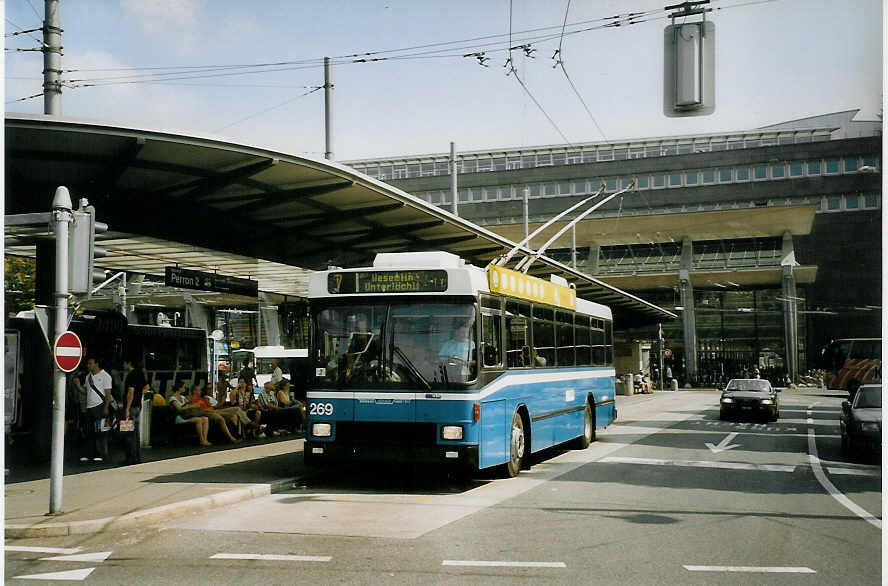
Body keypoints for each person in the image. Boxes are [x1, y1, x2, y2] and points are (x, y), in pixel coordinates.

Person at [72, 356, 113, 463]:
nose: (88, 365)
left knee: (101, 432)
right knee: (89, 432)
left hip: (100, 406)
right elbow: (85, 391)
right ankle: (90, 454)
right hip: (89, 408)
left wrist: (106, 407)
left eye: (90, 363)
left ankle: (102, 454)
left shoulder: (105, 376)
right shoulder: (88, 377)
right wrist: (77, 385)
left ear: (96, 364)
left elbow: (108, 394)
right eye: (88, 364)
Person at [120, 358, 149, 465]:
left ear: (129, 363)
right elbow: (147, 387)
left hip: (130, 407)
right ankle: (137, 457)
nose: (123, 365)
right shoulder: (140, 373)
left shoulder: (131, 375)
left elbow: (130, 392)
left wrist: (127, 408)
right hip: (138, 406)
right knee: (135, 433)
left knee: (128, 433)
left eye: (124, 363)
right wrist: (139, 394)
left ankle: (130, 458)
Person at [167, 381, 211, 446]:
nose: (185, 388)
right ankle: (201, 440)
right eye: (184, 387)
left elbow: (188, 405)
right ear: (180, 388)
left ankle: (205, 439)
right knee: (198, 420)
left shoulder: (183, 397)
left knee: (205, 419)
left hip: (186, 415)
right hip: (180, 417)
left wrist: (193, 405)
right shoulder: (173, 398)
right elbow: (179, 409)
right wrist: (191, 406)